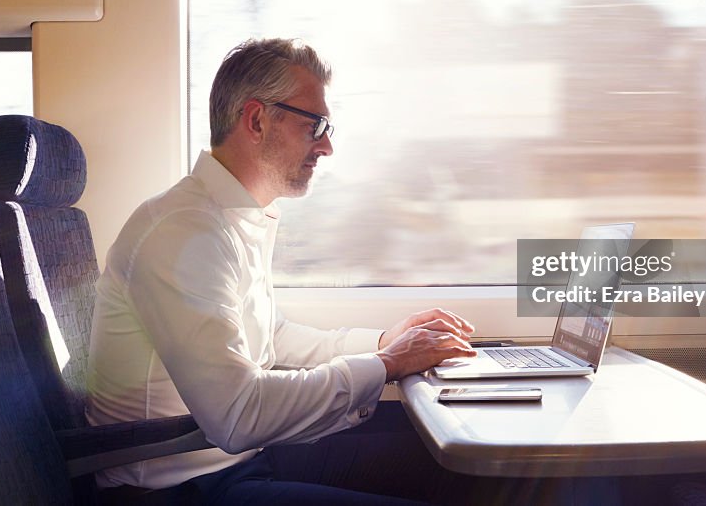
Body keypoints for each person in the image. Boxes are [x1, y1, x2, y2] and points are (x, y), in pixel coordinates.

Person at [86, 38, 476, 505]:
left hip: (236, 461)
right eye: (317, 125)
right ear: (256, 120)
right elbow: (238, 415)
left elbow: (272, 337)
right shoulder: (183, 232)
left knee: (458, 472)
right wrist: (387, 364)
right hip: (180, 486)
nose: (327, 146)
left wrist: (382, 341)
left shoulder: (232, 217)